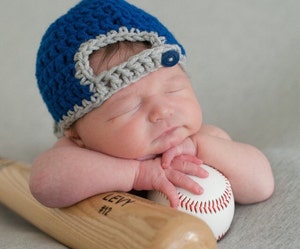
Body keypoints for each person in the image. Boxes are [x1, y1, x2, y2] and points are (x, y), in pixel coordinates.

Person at [30, 0, 274, 208]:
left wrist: (199, 147)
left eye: (173, 89)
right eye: (129, 107)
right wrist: (138, 174)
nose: (162, 111)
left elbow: (262, 185)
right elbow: (44, 182)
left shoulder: (203, 140)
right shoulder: (77, 155)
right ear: (77, 135)